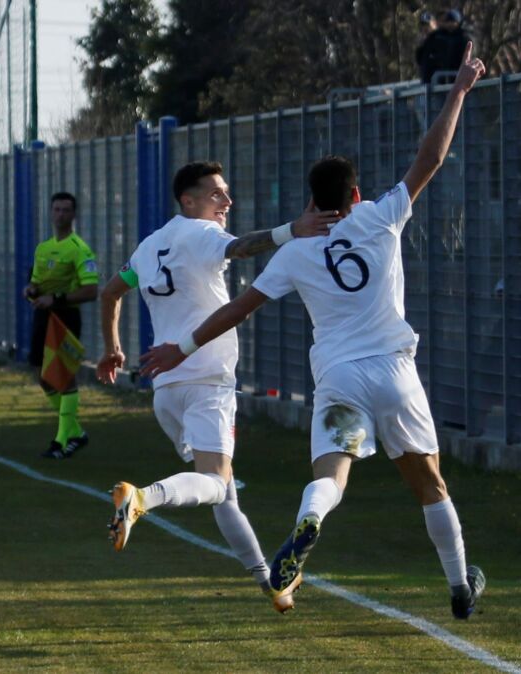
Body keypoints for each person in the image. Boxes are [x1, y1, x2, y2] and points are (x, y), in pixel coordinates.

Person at [140, 44, 488, 619]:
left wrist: (181, 347)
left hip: (339, 379)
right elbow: (430, 158)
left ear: (311, 200)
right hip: (395, 373)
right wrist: (457, 92)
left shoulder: (296, 253)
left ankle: (311, 520)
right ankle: (458, 586)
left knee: (331, 477)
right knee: (430, 484)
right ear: (354, 196)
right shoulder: (379, 216)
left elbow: (238, 309)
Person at [97, 161, 338, 607]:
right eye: (216, 195)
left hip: (166, 389)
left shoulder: (149, 247)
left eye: (226, 193)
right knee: (213, 480)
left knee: (223, 492)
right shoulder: (201, 233)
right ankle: (141, 498)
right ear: (188, 202)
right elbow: (243, 248)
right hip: (206, 380)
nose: (226, 202)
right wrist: (293, 229)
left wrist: (112, 348)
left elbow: (111, 291)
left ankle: (271, 583)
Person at [23, 192, 99, 459]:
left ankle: (60, 440)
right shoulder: (43, 248)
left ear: (74, 215)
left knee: (64, 376)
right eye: (56, 209)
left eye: (66, 210)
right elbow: (37, 281)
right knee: (42, 375)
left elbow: (91, 290)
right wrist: (31, 289)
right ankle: (76, 431)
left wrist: (56, 298)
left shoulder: (79, 249)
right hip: (43, 316)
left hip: (65, 317)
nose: (61, 215)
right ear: (50, 212)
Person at [415, 9, 471, 84]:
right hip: (431, 81)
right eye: (448, 22)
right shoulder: (432, 39)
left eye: (453, 22)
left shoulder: (462, 38)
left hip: (453, 80)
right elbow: (421, 60)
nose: (450, 24)